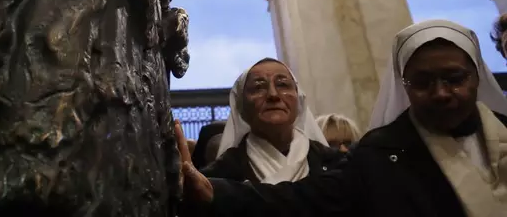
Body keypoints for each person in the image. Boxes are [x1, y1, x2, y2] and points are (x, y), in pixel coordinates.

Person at [177, 20, 507, 217]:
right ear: (405, 85)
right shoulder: (381, 153)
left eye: (453, 78)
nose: (440, 93)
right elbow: (299, 200)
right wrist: (213, 191)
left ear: (476, 77)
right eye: (422, 83)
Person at [200, 58, 343, 183]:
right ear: (241, 107)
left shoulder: (335, 165)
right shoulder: (218, 178)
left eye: (283, 85)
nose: (273, 95)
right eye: (258, 87)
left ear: (299, 100)